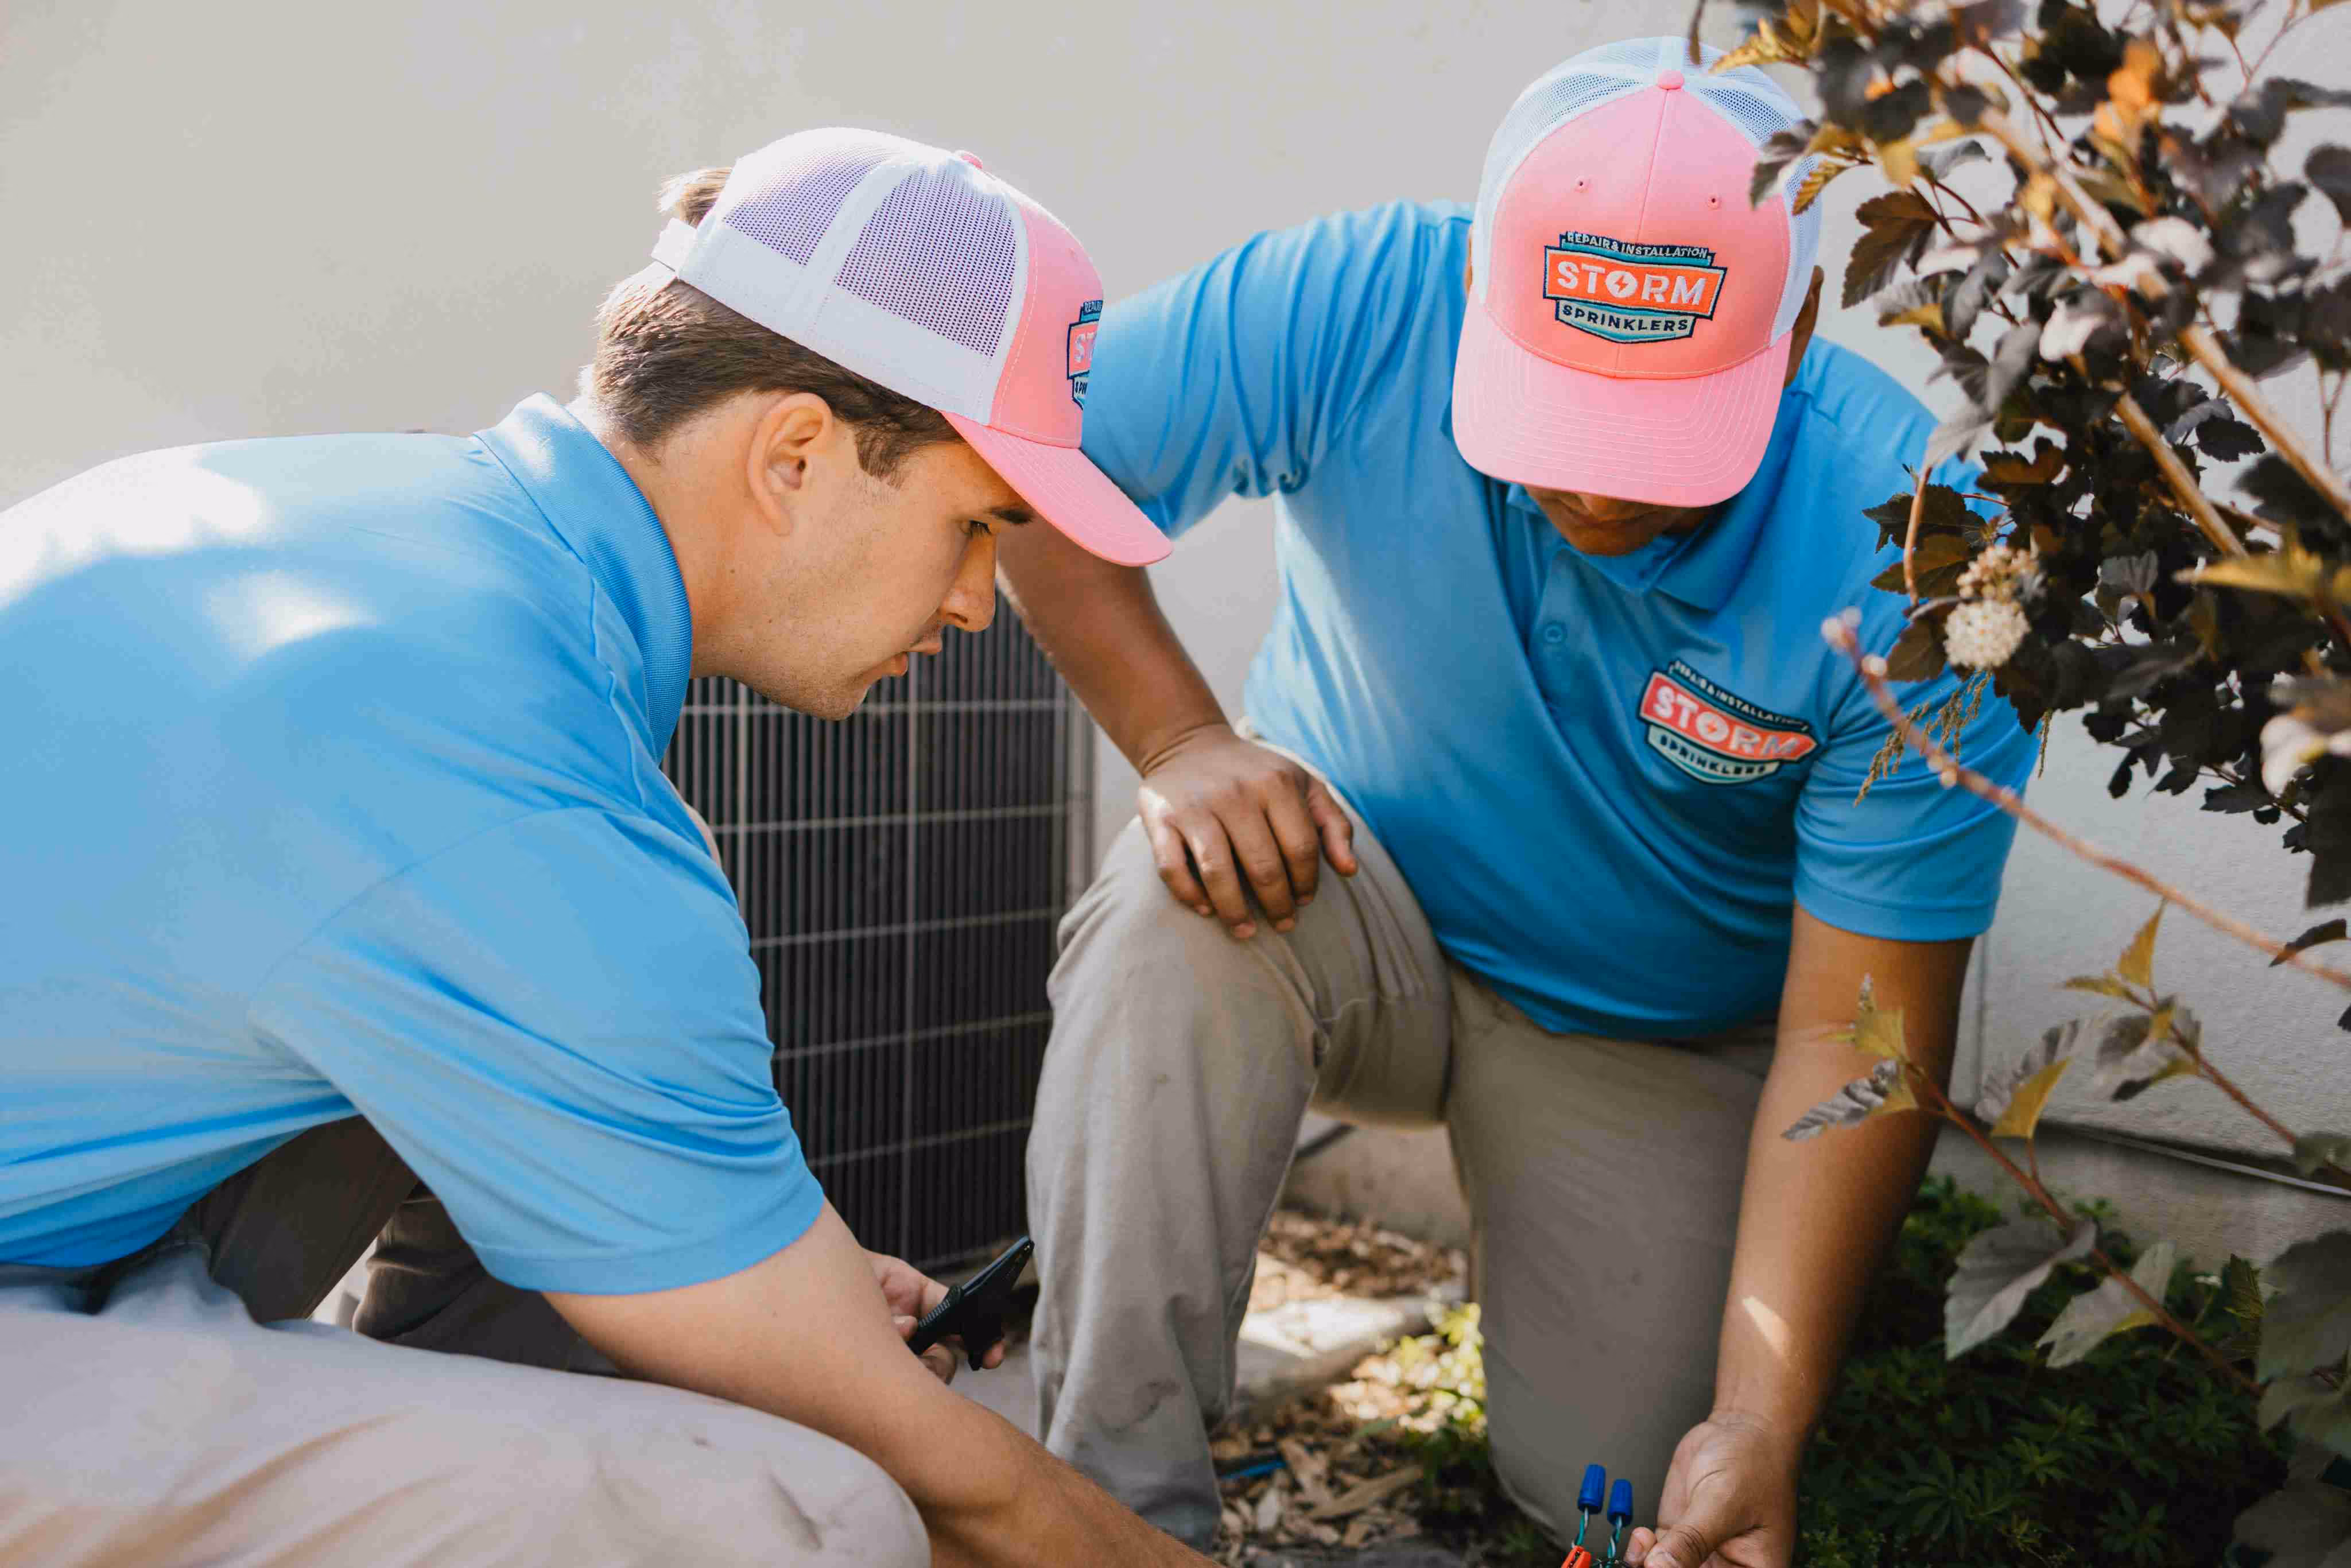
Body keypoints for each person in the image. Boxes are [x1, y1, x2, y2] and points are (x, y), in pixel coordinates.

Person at [0, 128, 1212, 1568]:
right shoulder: (506, 778)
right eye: (972, 527)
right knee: (810, 1514)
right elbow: (972, 1495)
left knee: (717, 1345)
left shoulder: (372, 533)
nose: (972, 605)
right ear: (797, 452)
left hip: (65, 1226)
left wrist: (775, 1295)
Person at [1004, 37, 2035, 1568]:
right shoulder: (1354, 300)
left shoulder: (1928, 561)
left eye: (1659, 438)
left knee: (1619, 1491)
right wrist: (1180, 741)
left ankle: (1569, 1274)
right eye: (1562, 419)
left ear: (1804, 317)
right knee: (1177, 904)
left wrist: (1761, 1414)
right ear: (1480, 283)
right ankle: (1093, 1510)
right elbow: (1035, 476)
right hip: (1352, 908)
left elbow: (1851, 1032)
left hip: (1652, 1034)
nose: (1602, 490)